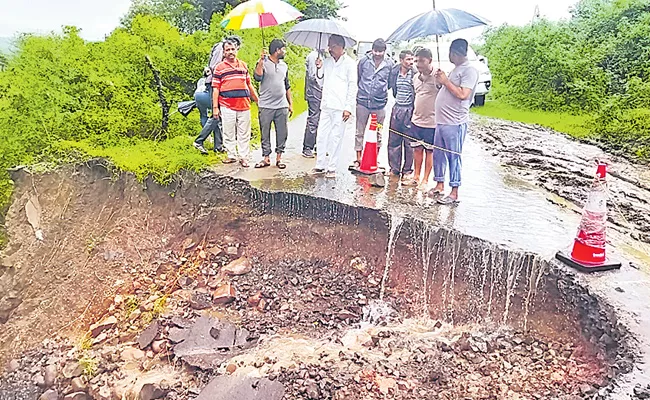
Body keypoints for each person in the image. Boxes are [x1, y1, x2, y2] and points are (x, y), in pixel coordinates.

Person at [432, 38, 479, 204]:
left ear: (456, 53)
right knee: (438, 154)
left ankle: (454, 191)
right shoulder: (455, 70)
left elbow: (462, 94)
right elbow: (448, 89)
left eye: (450, 53)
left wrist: (446, 81)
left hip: (455, 121)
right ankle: (439, 184)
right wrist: (441, 82)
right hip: (442, 120)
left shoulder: (470, 71)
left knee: (453, 156)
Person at [310, 34, 357, 179]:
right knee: (322, 135)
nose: (330, 49)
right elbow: (321, 81)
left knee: (336, 137)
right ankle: (320, 165)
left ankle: (332, 167)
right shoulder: (327, 62)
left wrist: (348, 107)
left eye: (333, 46)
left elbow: (352, 86)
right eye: (329, 46)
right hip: (326, 104)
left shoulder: (350, 64)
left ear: (341, 47)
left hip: (340, 107)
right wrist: (319, 68)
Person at [212, 37, 259, 167]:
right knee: (228, 131)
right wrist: (215, 108)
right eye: (228, 50)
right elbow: (215, 88)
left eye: (233, 49)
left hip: (244, 104)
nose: (230, 52)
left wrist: (257, 100)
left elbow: (249, 85)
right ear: (224, 52)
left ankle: (244, 157)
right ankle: (231, 155)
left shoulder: (243, 65)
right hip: (227, 104)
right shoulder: (219, 68)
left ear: (236, 50)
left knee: (244, 132)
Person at [352, 38, 392, 168]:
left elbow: (390, 83)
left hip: (379, 105)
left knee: (378, 132)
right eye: (376, 51)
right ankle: (358, 157)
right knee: (360, 131)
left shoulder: (389, 64)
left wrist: (380, 92)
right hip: (363, 102)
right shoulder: (364, 61)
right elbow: (358, 78)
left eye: (381, 51)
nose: (378, 54)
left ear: (384, 51)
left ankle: (375, 157)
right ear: (372, 50)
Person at [253, 38, 293, 169]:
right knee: (265, 132)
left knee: (282, 132)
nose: (284, 51)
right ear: (277, 50)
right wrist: (260, 62)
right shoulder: (263, 63)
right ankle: (266, 158)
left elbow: (287, 86)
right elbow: (257, 77)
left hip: (281, 105)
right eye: (283, 49)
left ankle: (279, 158)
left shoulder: (284, 66)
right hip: (266, 105)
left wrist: (290, 103)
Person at [403, 47, 439, 187]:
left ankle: (425, 179)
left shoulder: (438, 76)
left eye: (422, 61)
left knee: (429, 151)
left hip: (432, 122)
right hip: (416, 120)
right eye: (416, 61)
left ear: (429, 60)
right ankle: (416, 177)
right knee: (417, 149)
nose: (418, 64)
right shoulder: (415, 78)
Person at [387, 49, 416, 180]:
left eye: (412, 59)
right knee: (393, 140)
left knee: (409, 142)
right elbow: (393, 89)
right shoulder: (394, 72)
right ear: (401, 60)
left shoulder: (415, 74)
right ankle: (394, 169)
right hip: (397, 108)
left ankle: (408, 170)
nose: (411, 62)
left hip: (410, 109)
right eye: (408, 59)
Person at [193, 67, 224, 154]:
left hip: (198, 96)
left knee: (207, 116)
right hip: (206, 96)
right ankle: (199, 141)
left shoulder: (201, 80)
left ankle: (218, 146)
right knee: (216, 117)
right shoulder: (214, 78)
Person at [302, 49, 323, 158]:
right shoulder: (314, 56)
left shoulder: (324, 56)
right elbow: (312, 76)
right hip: (314, 93)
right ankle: (308, 147)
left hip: (321, 94)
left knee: (321, 120)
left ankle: (317, 145)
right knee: (313, 119)